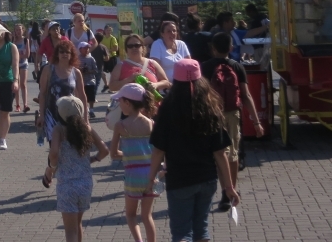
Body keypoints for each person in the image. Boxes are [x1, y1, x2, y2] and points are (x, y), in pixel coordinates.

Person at [147, 60, 239, 242]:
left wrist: (151, 179)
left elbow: (158, 150)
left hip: (180, 179)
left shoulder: (168, 108)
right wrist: (229, 187)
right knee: (201, 230)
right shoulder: (211, 107)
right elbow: (220, 153)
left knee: (182, 233)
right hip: (207, 179)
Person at [201, 32, 263, 212]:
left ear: (212, 48)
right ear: (231, 47)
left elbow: (201, 94)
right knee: (233, 153)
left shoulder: (204, 67)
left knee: (218, 153)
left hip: (212, 114)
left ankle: (221, 189)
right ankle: (230, 191)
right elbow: (246, 95)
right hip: (232, 114)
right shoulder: (237, 67)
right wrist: (257, 122)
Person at [42, 96, 108, 242]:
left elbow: (53, 153)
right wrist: (94, 159)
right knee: (78, 224)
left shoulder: (59, 130)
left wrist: (51, 168)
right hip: (85, 184)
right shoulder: (86, 128)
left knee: (70, 231)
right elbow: (104, 149)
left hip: (67, 185)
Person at [109, 83, 159, 242]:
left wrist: (129, 155)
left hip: (133, 176)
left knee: (131, 215)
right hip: (151, 175)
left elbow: (114, 153)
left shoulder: (120, 126)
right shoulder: (151, 123)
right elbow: (158, 150)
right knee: (147, 215)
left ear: (128, 103)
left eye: (120, 101)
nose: (119, 104)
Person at [39, 40, 88, 147]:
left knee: (69, 146)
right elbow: (42, 94)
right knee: (54, 147)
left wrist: (85, 119)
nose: (64, 54)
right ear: (57, 54)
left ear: (72, 55)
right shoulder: (48, 69)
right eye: (61, 52)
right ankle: (52, 164)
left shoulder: (76, 72)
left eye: (67, 52)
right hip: (52, 114)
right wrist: (41, 115)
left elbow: (82, 96)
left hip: (70, 115)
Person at [77, 43, 99, 118]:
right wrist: (80, 70)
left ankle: (92, 110)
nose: (87, 50)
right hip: (81, 81)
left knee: (91, 97)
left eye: (88, 48)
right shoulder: (77, 59)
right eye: (85, 48)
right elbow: (74, 69)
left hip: (90, 80)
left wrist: (89, 71)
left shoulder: (91, 59)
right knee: (83, 96)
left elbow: (96, 70)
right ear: (80, 49)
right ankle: (85, 109)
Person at [13, 24, 31, 113]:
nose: (18, 32)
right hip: (15, 65)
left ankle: (25, 105)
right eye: (16, 30)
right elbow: (12, 54)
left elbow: (27, 55)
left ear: (23, 30)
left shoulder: (25, 40)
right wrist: (19, 56)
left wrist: (19, 56)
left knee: (23, 84)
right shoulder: (13, 41)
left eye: (20, 30)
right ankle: (17, 105)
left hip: (23, 64)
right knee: (17, 85)